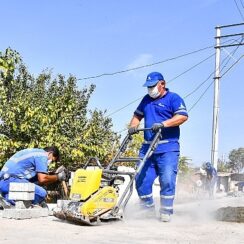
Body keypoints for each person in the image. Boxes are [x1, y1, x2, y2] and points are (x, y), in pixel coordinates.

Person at [128, 71, 188, 222]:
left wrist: (163, 124)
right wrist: (133, 126)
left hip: (168, 148)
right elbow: (137, 116)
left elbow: (182, 116)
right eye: (148, 87)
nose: (150, 89)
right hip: (147, 148)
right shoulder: (146, 100)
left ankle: (166, 211)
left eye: (153, 86)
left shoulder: (173, 98)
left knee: (167, 179)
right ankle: (147, 211)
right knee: (141, 180)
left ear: (162, 84)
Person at [0, 146, 67, 208]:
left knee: (35, 183)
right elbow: (42, 179)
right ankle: (10, 200)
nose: (50, 162)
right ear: (50, 153)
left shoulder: (35, 153)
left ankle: (7, 199)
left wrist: (53, 175)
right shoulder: (42, 155)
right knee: (42, 193)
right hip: (10, 181)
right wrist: (58, 177)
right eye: (52, 160)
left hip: (4, 182)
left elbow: (38, 179)